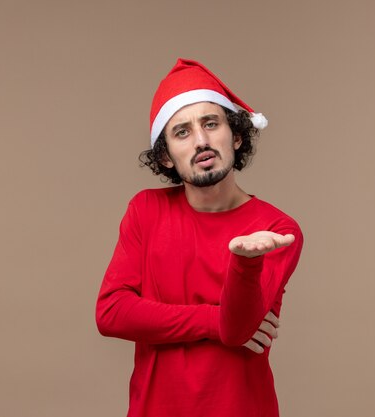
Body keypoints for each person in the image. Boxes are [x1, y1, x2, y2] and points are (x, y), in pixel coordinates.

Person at [95, 58, 304, 417]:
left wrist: (245, 262)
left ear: (236, 135)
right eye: (182, 132)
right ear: (165, 157)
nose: (202, 141)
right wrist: (213, 319)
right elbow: (111, 313)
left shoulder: (276, 230)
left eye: (211, 124)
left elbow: (238, 330)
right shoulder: (145, 211)